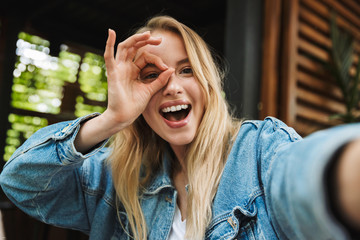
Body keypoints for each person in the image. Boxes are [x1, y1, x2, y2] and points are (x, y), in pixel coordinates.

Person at [1, 15, 360, 240]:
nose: (171, 86)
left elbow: (301, 176)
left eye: (186, 70)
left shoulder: (258, 148)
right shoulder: (114, 176)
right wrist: (111, 119)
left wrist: (345, 168)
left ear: (208, 82)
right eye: (152, 75)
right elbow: (20, 181)